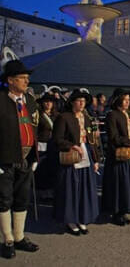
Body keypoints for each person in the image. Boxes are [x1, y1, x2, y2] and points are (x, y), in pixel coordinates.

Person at [0, 60, 39, 259]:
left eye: (27, 78)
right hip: (5, 159)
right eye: (22, 78)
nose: (27, 81)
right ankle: (7, 239)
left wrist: (35, 155)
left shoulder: (30, 100)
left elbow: (36, 126)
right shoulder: (0, 100)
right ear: (10, 80)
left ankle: (19, 237)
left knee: (22, 198)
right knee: (4, 199)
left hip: (26, 158)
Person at [53, 89, 100, 236]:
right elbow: (57, 139)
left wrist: (96, 159)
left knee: (84, 189)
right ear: (72, 102)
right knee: (71, 189)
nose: (82, 103)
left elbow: (93, 141)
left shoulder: (87, 118)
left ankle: (82, 217)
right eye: (79, 101)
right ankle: (70, 220)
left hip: (86, 155)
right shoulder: (64, 117)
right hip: (71, 156)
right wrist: (72, 145)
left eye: (84, 101)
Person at [102, 89, 130, 225]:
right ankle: (115, 212)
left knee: (127, 184)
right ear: (118, 100)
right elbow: (114, 136)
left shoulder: (128, 114)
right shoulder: (112, 115)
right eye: (125, 100)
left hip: (128, 154)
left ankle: (123, 210)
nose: (128, 102)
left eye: (128, 100)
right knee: (117, 184)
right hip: (117, 155)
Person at [35, 92, 59, 201]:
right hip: (41, 145)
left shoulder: (57, 116)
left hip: (53, 146)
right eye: (46, 102)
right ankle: (42, 193)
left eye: (50, 102)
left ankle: (52, 192)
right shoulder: (38, 115)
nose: (48, 104)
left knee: (52, 169)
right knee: (41, 170)